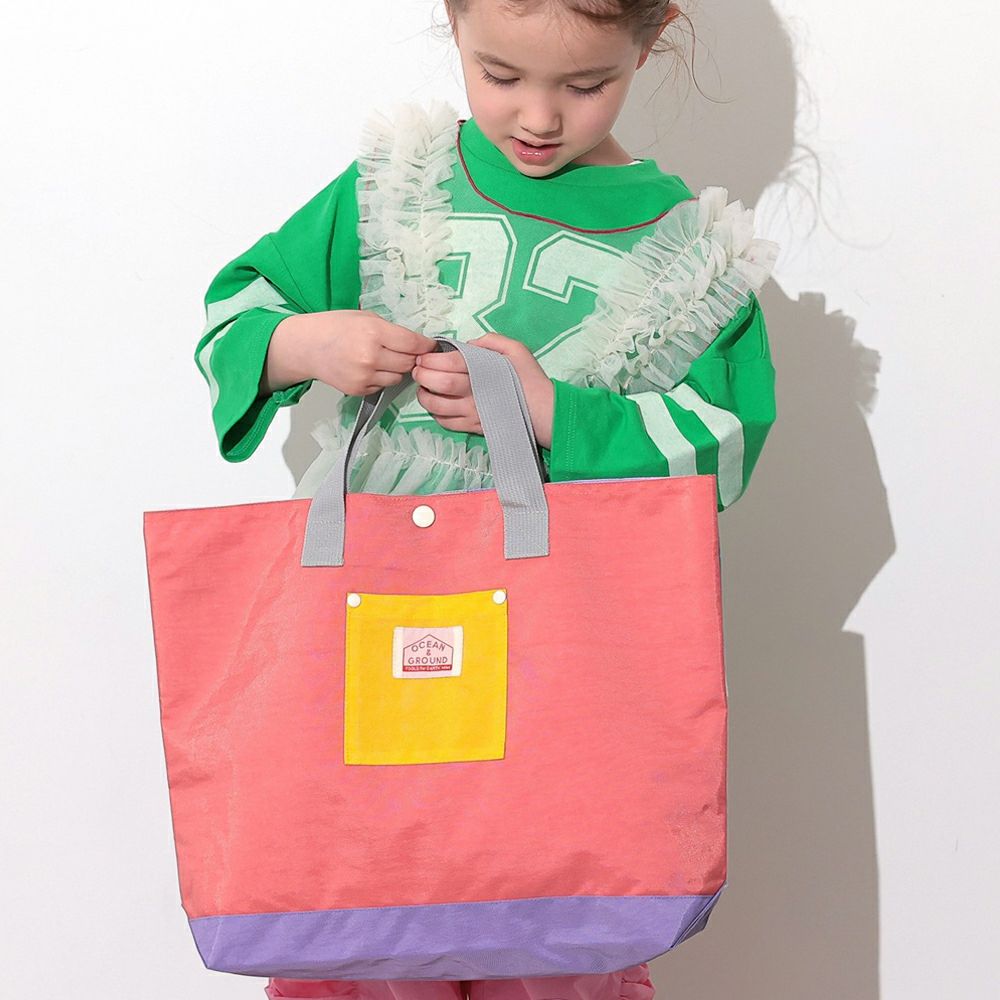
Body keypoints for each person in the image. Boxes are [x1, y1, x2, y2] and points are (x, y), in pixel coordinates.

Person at [193, 2, 780, 999]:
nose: (538, 117)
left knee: (557, 917)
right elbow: (233, 312)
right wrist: (308, 343)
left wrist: (554, 414)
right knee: (361, 906)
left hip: (568, 650)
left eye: (586, 85)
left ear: (650, 41)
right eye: (500, 75)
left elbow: (721, 448)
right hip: (373, 626)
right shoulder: (396, 190)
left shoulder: (690, 258)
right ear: (453, 24)